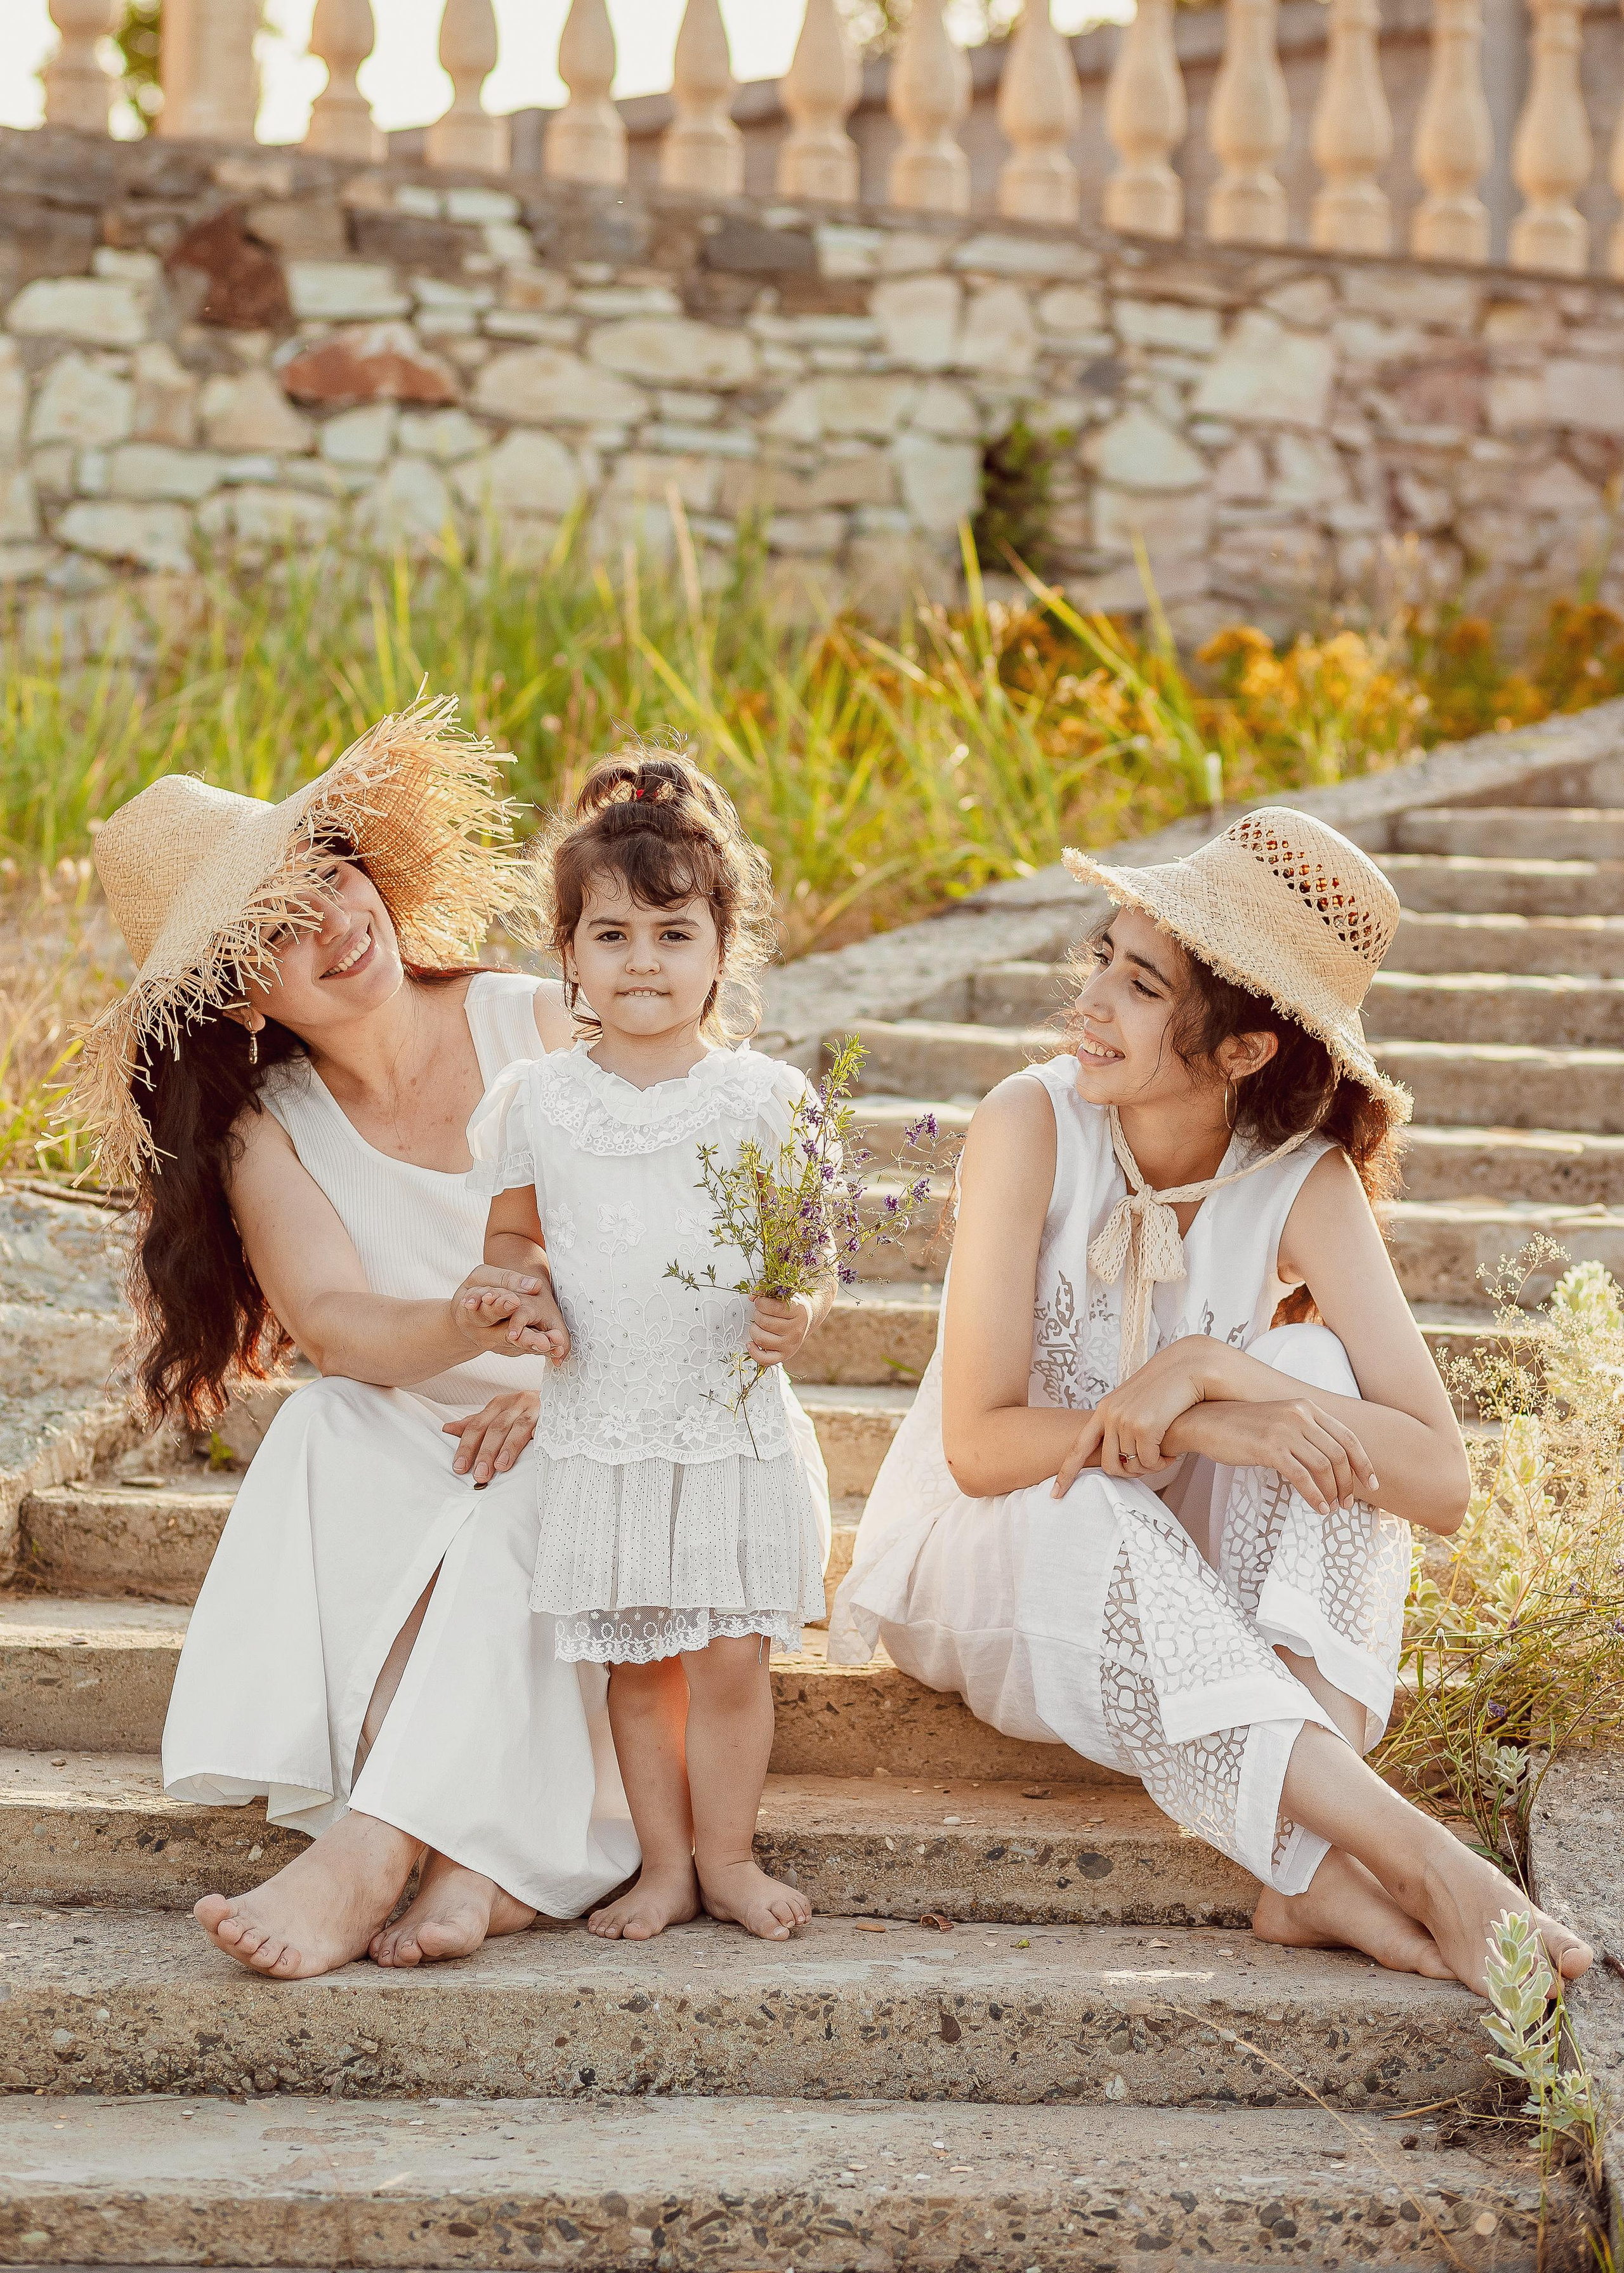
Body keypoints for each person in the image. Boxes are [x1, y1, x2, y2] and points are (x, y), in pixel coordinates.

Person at [828, 807, 1592, 1998]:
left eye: (1141, 986)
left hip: (1187, 1577)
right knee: (1098, 1502)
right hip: (1001, 1559)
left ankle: (1305, 1869)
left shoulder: (1299, 1181)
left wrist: (1219, 1371)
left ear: (1243, 1053)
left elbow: (1439, 1477)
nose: (1090, 1004)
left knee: (1327, 1396)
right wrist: (1200, 1420)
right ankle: (1415, 1862)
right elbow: (979, 1446)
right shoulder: (1031, 1123)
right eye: (1104, 960)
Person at [73, 698, 652, 1981]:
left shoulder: (540, 1024)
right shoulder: (268, 1127)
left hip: (642, 1395)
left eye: (322, 874)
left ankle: (372, 1850)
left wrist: (567, 1391)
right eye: (271, 926)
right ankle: (482, 1867)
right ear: (232, 999)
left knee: (520, 1496)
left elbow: (689, 1248)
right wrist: (457, 1319)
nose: (329, 921)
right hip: (432, 1409)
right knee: (328, 1431)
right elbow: (334, 1326)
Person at [466, 753, 830, 1943]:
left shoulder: (767, 1099)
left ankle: (728, 1854)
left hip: (722, 1422)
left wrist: (796, 1311)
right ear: (566, 951)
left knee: (727, 1657)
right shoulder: (537, 1100)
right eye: (612, 934)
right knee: (640, 1665)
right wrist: (524, 1293)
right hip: (608, 1419)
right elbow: (515, 1235)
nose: (643, 963)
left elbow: (804, 1256)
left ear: (723, 949)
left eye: (673, 934)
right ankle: (662, 1864)